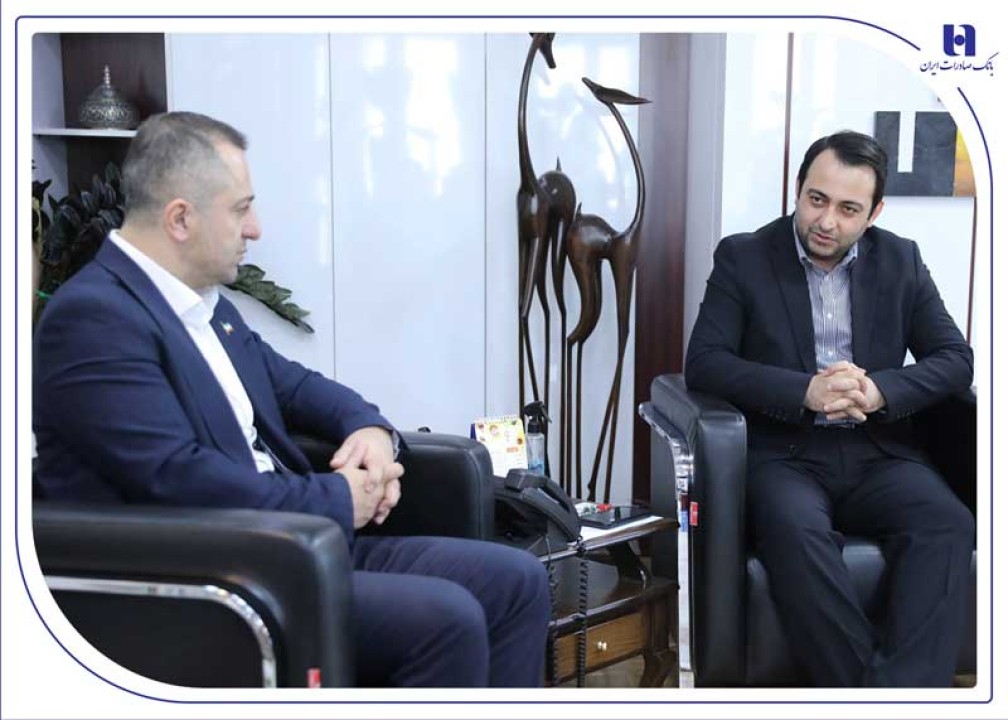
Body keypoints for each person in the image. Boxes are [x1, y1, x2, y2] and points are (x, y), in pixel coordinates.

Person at [33, 111, 551, 688]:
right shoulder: (95, 319)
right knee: (446, 620)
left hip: (294, 547)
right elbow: (178, 481)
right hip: (218, 579)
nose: (255, 229)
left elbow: (297, 387)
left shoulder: (204, 307)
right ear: (180, 218)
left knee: (517, 581)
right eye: (240, 209)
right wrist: (338, 498)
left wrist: (372, 432)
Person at [685, 130, 974, 687]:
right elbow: (705, 362)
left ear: (874, 212)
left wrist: (881, 390)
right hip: (784, 455)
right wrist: (805, 391)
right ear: (798, 189)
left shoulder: (902, 259)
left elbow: (955, 359)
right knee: (794, 532)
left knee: (948, 522)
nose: (827, 221)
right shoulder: (744, 257)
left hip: (878, 451)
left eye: (848, 209)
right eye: (817, 199)